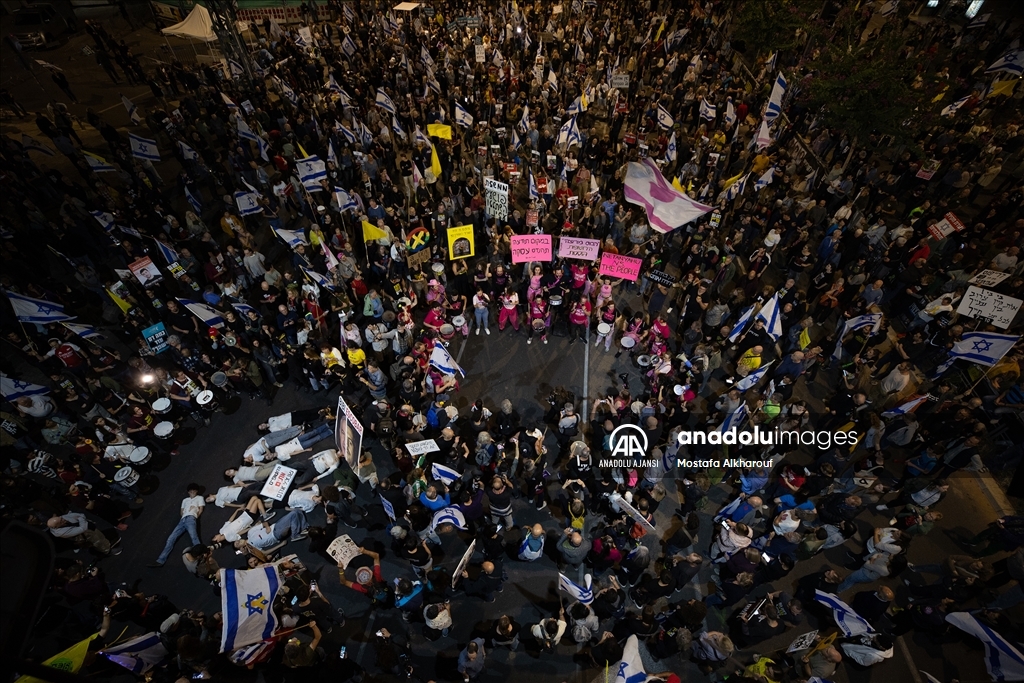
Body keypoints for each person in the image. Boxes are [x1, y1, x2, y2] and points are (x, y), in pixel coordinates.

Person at [149, 484, 204, 567]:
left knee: (194, 537)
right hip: (182, 520)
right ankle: (160, 560)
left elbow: (200, 509)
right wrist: (184, 516)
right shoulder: (185, 500)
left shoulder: (200, 498)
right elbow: (181, 511)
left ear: (197, 491)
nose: (192, 492)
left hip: (191, 518)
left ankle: (202, 556)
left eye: (194, 490)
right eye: (191, 490)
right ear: (188, 492)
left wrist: (194, 516)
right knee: (171, 538)